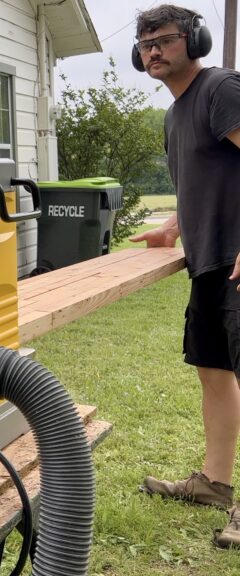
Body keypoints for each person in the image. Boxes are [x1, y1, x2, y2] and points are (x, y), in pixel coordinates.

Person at [128, 4, 240, 547]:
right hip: (210, 262)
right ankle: (215, 485)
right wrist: (172, 227)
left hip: (239, 259)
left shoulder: (222, 89)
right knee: (213, 372)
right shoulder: (176, 115)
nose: (153, 51)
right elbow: (199, 180)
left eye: (165, 40)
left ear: (194, 39)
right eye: (145, 43)